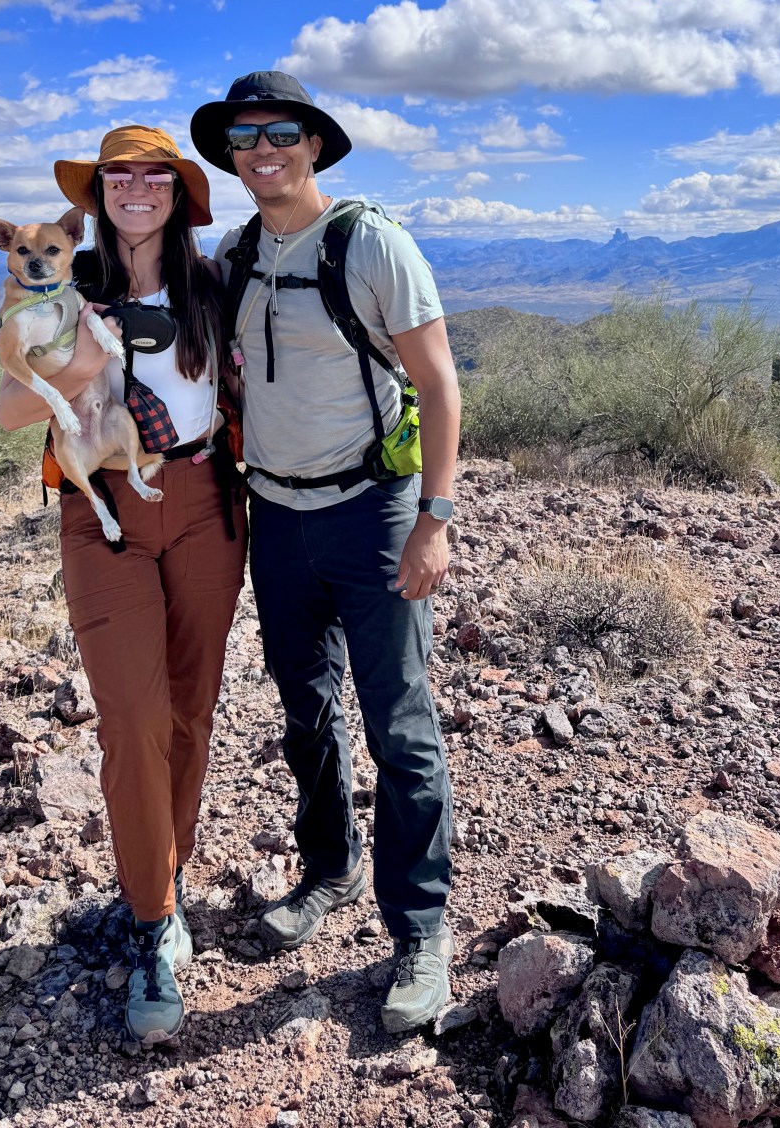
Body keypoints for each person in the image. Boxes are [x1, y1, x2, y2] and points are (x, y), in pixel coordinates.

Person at [190, 72, 460, 1034]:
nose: (263, 148)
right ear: (231, 154)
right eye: (245, 136)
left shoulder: (369, 242)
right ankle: (330, 870)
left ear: (314, 145)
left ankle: (420, 932)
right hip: (275, 516)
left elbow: (438, 378)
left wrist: (434, 519)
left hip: (373, 513)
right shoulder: (237, 252)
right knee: (304, 711)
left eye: (282, 132)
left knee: (400, 725)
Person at [0, 126, 247, 1046]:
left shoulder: (211, 284)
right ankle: (150, 921)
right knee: (132, 717)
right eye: (118, 175)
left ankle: (163, 878)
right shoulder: (68, 283)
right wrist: (91, 356)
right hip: (103, 509)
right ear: (98, 194)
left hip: (206, 499)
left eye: (156, 174)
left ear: (178, 193)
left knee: (192, 710)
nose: (136, 187)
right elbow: (11, 405)